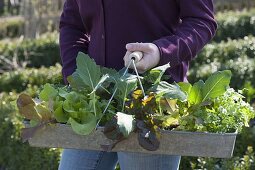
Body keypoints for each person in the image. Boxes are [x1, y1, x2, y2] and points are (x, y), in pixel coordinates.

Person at [58, 0, 217, 170]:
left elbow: (201, 21)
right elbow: (72, 25)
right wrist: (76, 74)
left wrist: (161, 52)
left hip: (151, 106)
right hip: (94, 103)